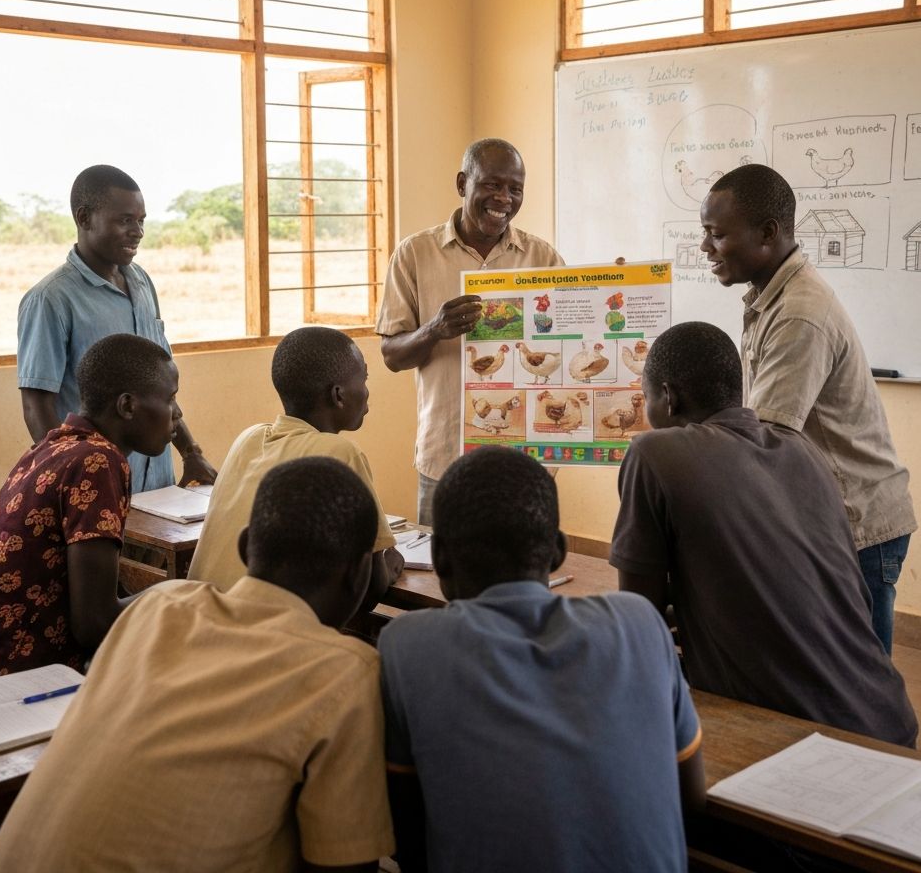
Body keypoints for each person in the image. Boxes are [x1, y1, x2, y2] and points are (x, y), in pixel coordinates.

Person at [0, 457, 395, 873]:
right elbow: (345, 865)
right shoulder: (341, 672)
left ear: (246, 547)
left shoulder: (160, 607)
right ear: (360, 572)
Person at [379, 446, 704, 873]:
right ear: (558, 551)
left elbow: (405, 834)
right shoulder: (641, 624)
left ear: (438, 558)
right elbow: (690, 799)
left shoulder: (406, 647)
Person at [611, 322, 918, 746]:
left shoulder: (654, 453)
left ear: (668, 396)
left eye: (645, 398)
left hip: (800, 742)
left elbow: (638, 620)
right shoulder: (803, 450)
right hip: (887, 717)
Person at [700, 164, 916, 653]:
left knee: (861, 687)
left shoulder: (799, 312)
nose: (705, 248)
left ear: (768, 233)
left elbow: (769, 441)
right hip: (824, 518)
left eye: (716, 235)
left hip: (857, 525)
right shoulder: (768, 298)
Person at [0, 334, 180, 688]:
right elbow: (94, 624)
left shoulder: (57, 443)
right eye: (171, 398)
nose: (178, 412)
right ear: (127, 406)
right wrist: (175, 593)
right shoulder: (98, 462)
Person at [377, 138, 563, 524]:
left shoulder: (542, 258)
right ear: (463, 184)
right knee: (437, 578)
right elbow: (392, 356)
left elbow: (572, 332)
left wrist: (618, 291)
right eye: (492, 185)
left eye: (515, 189)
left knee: (522, 574)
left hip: (523, 460)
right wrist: (433, 330)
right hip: (445, 458)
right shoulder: (414, 254)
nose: (504, 199)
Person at [17, 163, 216, 493]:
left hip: (157, 485)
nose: (137, 231)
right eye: (125, 220)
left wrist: (191, 453)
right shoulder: (50, 299)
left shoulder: (141, 283)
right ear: (84, 218)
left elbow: (160, 390)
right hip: (98, 487)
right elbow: (36, 406)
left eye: (141, 221)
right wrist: (75, 481)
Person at [188, 327, 402, 609]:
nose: (366, 391)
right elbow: (370, 589)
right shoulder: (339, 453)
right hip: (262, 634)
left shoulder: (248, 438)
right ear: (338, 395)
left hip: (199, 614)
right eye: (364, 378)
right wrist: (391, 567)